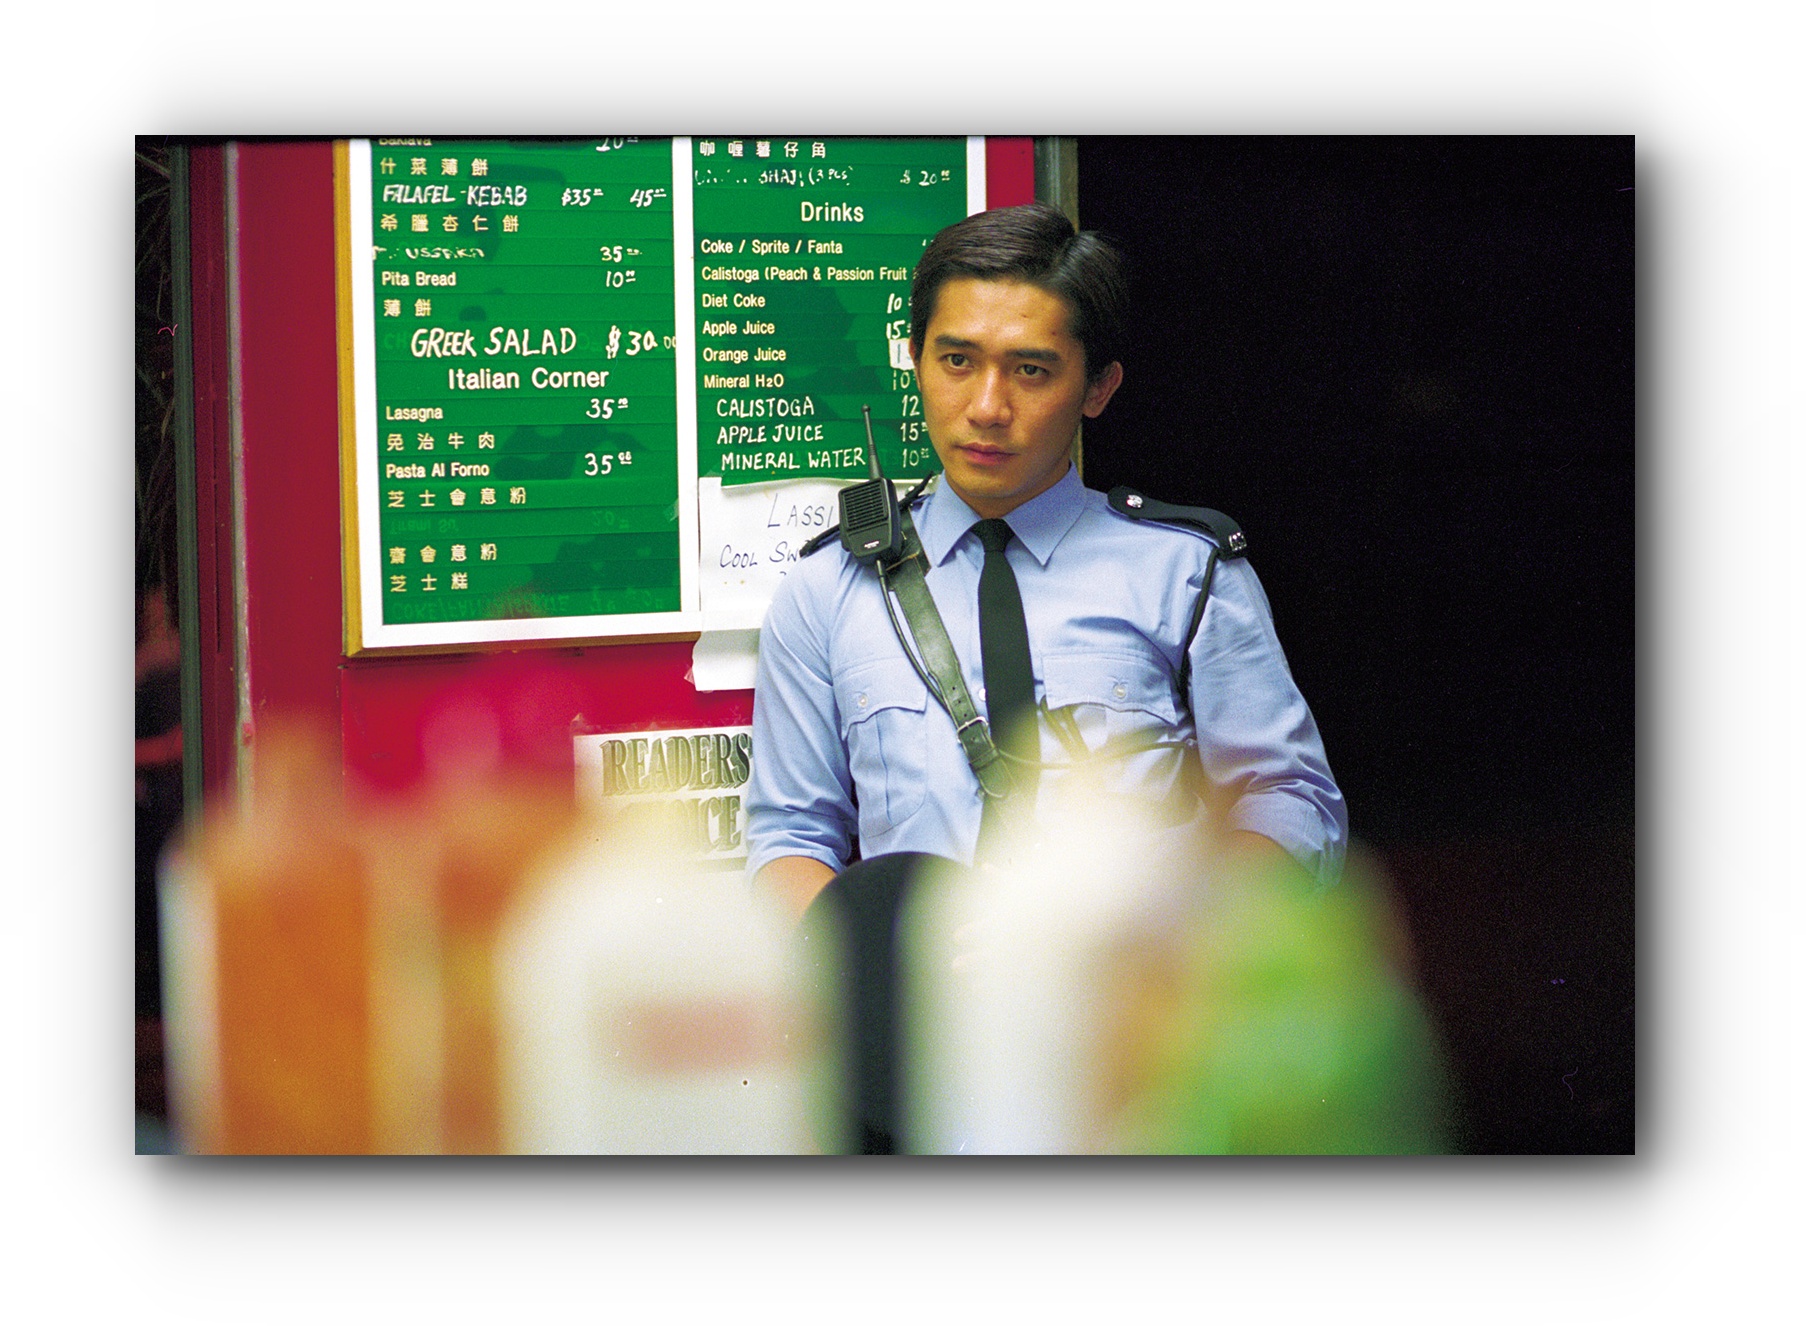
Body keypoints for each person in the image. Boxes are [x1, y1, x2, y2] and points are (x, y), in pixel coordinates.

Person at [744, 203, 1347, 1149]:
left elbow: (1289, 803)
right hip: (927, 1083)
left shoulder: (1185, 573)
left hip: (1144, 1076)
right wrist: (885, 973)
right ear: (914, 360)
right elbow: (788, 834)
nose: (988, 406)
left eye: (1031, 370)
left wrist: (1166, 947)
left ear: (1097, 387)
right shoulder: (827, 592)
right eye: (956, 360)